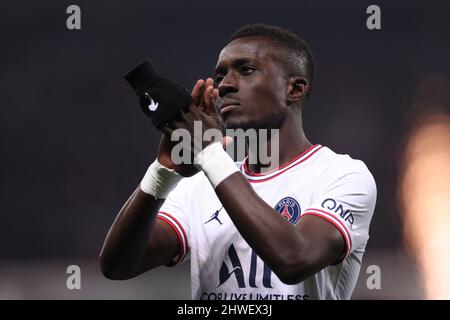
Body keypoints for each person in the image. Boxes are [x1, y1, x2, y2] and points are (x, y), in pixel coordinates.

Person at [99, 23, 377, 300]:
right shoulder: (199, 185)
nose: (225, 85)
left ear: (295, 89)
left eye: (246, 70)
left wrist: (209, 153)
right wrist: (163, 173)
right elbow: (117, 266)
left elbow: (294, 259)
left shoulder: (343, 175)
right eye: (220, 75)